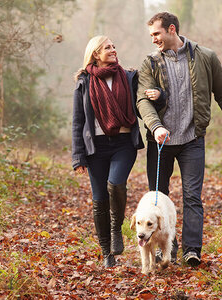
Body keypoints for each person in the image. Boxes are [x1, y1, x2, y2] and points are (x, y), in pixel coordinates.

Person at [136, 12, 222, 267]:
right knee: (158, 198)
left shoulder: (205, 57)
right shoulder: (150, 63)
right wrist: (155, 127)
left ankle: (192, 251)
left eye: (157, 34)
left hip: (192, 140)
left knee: (192, 197)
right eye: (151, 35)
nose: (153, 39)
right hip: (160, 142)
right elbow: (142, 100)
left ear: (172, 29)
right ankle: (163, 250)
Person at [72, 36, 144, 268]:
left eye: (114, 46)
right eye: (107, 47)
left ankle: (116, 228)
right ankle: (107, 254)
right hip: (96, 148)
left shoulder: (129, 76)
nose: (113, 50)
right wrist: (78, 156)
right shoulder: (84, 81)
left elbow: (143, 105)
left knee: (116, 184)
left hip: (123, 143)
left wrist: (157, 97)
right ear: (95, 54)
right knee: (99, 200)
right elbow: (77, 121)